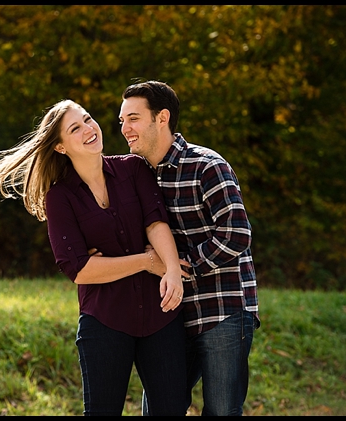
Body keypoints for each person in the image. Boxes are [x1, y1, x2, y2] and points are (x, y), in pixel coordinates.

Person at [0, 99, 190, 416]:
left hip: (161, 316)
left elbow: (156, 222)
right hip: (105, 321)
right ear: (60, 147)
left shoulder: (133, 168)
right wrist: (146, 262)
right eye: (76, 128)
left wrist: (170, 269)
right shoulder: (60, 197)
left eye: (88, 119)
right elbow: (79, 269)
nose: (89, 129)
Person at [120, 80, 259, 416]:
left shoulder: (206, 165)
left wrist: (182, 266)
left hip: (221, 310)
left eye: (133, 119)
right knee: (158, 409)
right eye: (122, 121)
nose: (125, 129)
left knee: (222, 411)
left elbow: (236, 232)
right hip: (168, 318)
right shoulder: (135, 176)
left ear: (162, 118)